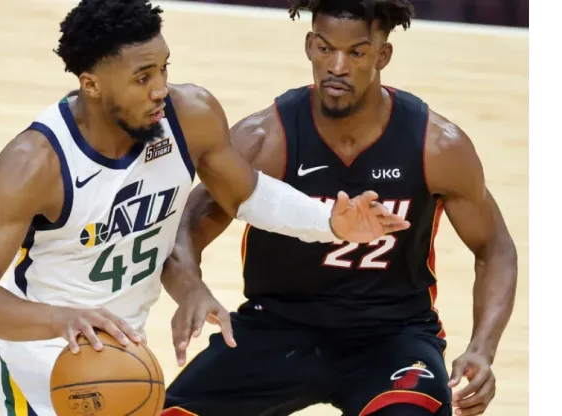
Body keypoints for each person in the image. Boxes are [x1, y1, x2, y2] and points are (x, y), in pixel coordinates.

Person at [0, 0, 409, 415]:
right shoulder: (34, 164)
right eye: (142, 78)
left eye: (163, 68)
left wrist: (326, 220)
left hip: (124, 349)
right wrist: (63, 319)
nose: (160, 88)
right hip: (41, 354)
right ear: (92, 85)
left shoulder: (189, 115)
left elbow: (246, 195)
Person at [161, 1, 518, 416]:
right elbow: (187, 222)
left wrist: (482, 348)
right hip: (276, 327)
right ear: (310, 46)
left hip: (391, 336)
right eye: (326, 48)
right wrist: (191, 288)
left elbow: (495, 248)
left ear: (382, 56)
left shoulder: (436, 146)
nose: (337, 66)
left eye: (357, 52)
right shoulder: (265, 138)